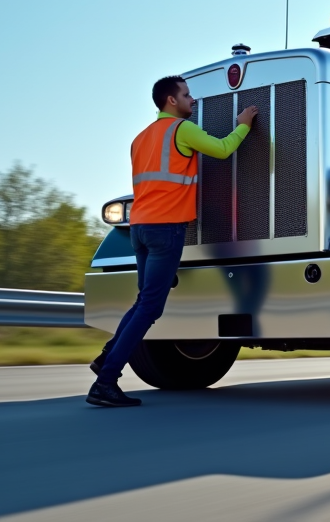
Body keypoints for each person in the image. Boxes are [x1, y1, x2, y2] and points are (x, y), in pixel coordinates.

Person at [86, 76, 257, 407]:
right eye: (187, 95)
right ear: (171, 101)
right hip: (166, 230)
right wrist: (243, 125)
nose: (192, 100)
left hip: (139, 229)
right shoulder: (182, 130)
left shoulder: (139, 139)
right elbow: (222, 150)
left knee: (142, 303)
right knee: (151, 307)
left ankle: (106, 357)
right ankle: (105, 381)